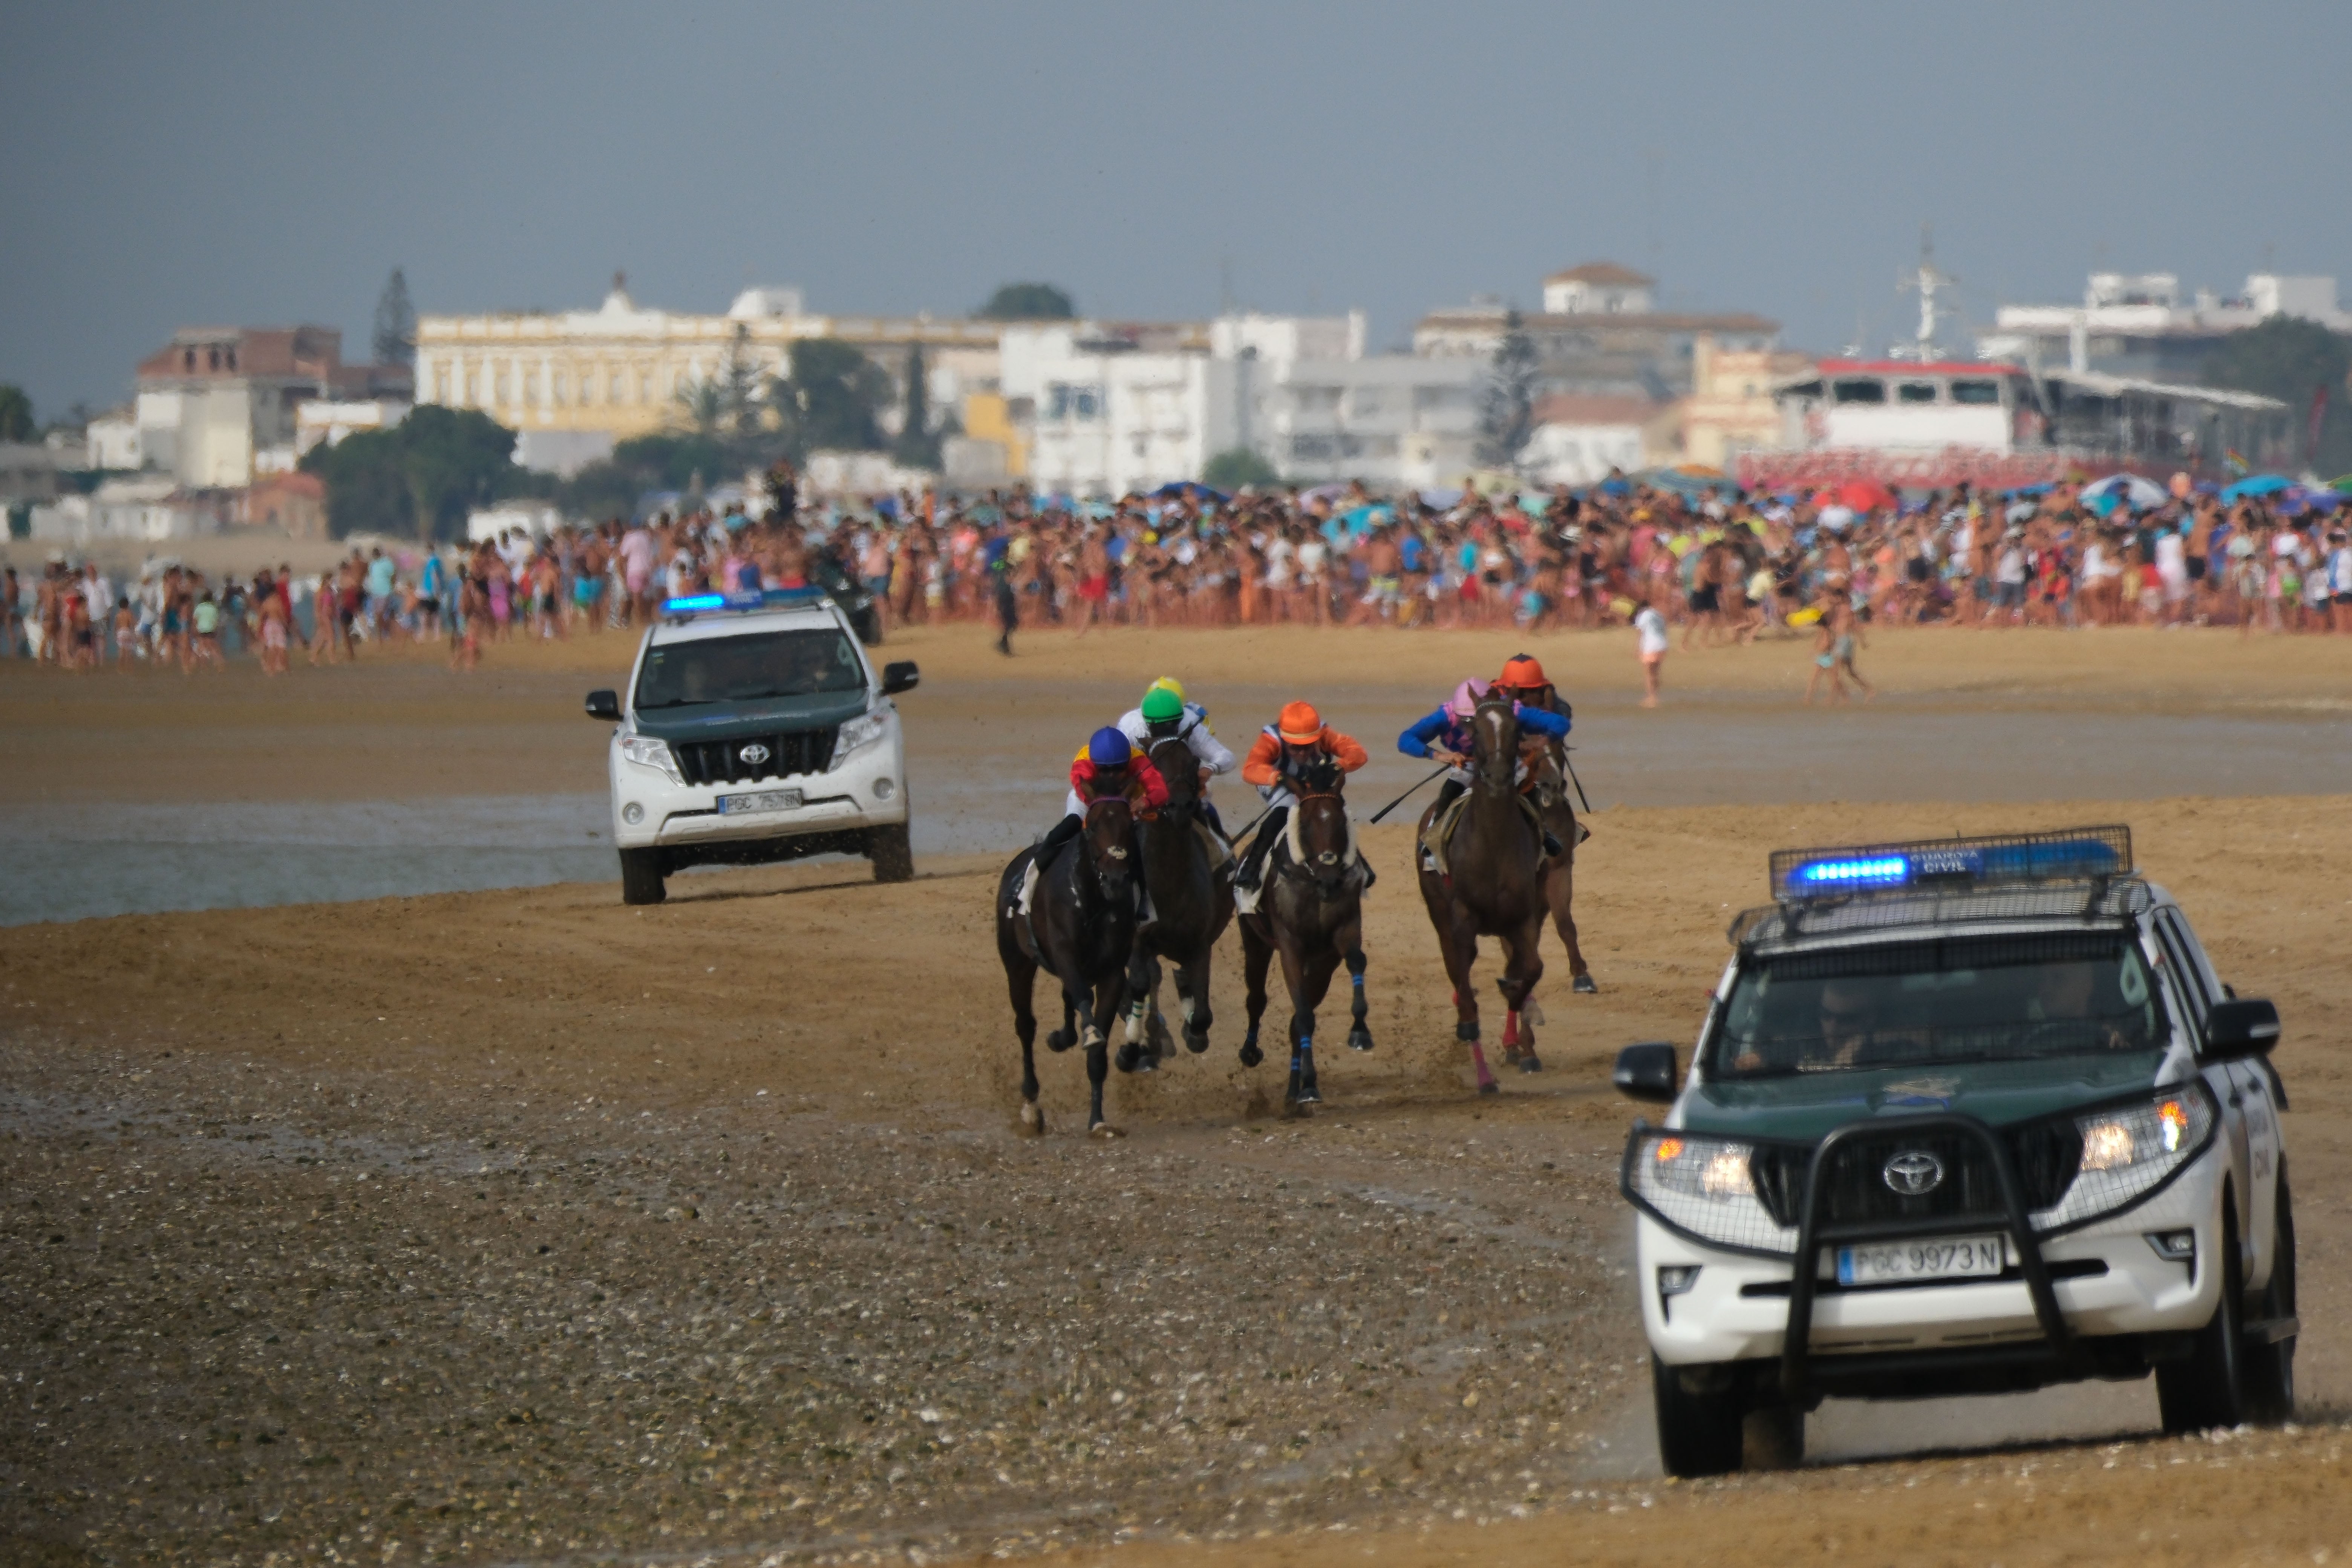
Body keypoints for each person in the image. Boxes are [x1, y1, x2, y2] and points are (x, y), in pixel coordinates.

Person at [1398, 677, 1567, 869]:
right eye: (1466, 722)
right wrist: (1438, 755)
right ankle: (1435, 835)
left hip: (1505, 761)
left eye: (1474, 722)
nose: (1470, 730)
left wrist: (1540, 742)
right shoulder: (1445, 716)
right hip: (1468, 762)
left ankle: (1543, 832)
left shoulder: (1511, 711)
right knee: (1450, 790)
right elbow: (1405, 740)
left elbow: (1560, 723)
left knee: (1528, 788)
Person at [1020, 726, 1169, 914]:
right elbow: (1082, 787)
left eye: (1119, 769)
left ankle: (1144, 900)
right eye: (1105, 771)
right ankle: (1028, 886)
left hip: (1125, 805)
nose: (1112, 775)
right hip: (1090, 802)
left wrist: (1145, 802)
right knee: (1068, 827)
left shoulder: (1138, 759)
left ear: (1128, 762)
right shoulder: (1084, 759)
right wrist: (1101, 807)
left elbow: (1160, 789)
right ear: (1095, 763)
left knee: (1138, 840)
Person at [1234, 701, 1368, 892]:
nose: (1303, 753)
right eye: (1295, 748)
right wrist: (1279, 777)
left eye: (1308, 747)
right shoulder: (1270, 739)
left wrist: (1339, 766)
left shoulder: (1325, 735)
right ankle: (1251, 867)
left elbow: (1358, 753)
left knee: (1338, 812)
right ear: (1284, 739)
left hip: (1313, 783)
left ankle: (1359, 862)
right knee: (1284, 811)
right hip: (1279, 784)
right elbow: (1250, 770)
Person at [1116, 678, 1236, 837]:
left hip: (1182, 788)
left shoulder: (1190, 722)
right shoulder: (1130, 728)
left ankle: (1222, 849)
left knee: (1205, 803)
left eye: (1174, 724)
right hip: (1140, 787)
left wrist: (1210, 769)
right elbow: (1118, 770)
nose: (1168, 730)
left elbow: (1227, 757)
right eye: (1160, 726)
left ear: (1181, 718)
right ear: (1147, 722)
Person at [1634, 600, 1668, 706]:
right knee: (1656, 672)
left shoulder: (1643, 616)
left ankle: (1651, 698)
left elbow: (1640, 633)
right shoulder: (1659, 615)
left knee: (1649, 673)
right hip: (1662, 645)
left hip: (1650, 646)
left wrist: (1637, 649)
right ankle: (1656, 696)